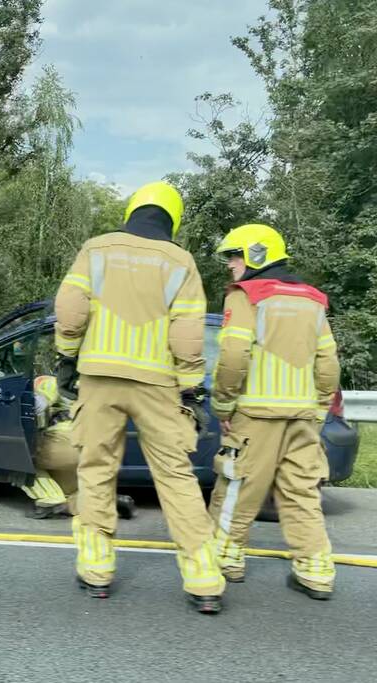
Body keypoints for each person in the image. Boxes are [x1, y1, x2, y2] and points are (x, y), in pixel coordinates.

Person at [54, 180, 225, 613]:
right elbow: (187, 334)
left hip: (100, 376)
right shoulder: (180, 261)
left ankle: (96, 567)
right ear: (173, 219)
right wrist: (191, 388)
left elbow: (71, 310)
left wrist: (67, 358)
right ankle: (204, 575)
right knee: (175, 474)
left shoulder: (96, 249)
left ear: (132, 211)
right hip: (158, 384)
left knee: (95, 468)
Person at [209, 224, 338, 600]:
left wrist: (223, 404)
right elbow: (328, 363)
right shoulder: (314, 300)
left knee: (237, 486)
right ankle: (315, 569)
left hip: (255, 414)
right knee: (301, 491)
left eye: (235, 255)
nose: (231, 264)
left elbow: (233, 357)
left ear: (256, 255)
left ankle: (224, 559)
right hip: (302, 417)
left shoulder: (246, 295)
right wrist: (318, 408)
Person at [19, 375, 136, 521]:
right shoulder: (101, 385)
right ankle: (107, 504)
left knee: (18, 457)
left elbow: (39, 402)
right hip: (97, 446)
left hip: (66, 441)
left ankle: (49, 502)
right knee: (67, 492)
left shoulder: (51, 381)